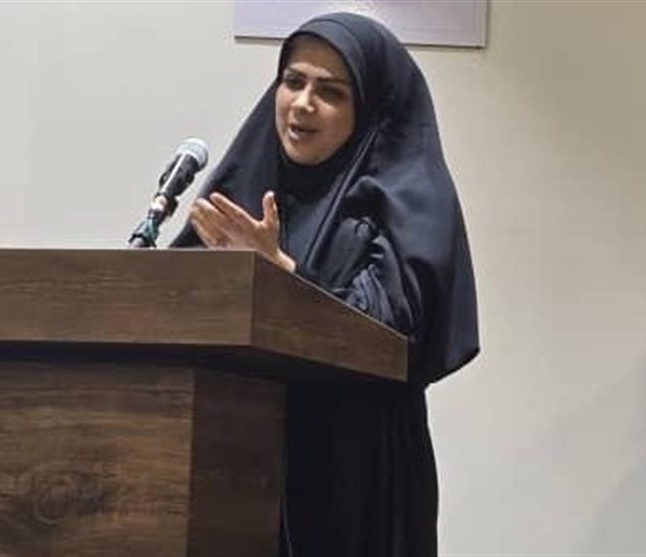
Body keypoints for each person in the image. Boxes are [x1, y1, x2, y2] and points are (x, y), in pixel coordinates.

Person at [171, 11, 479, 557]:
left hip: (356, 474)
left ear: (371, 108)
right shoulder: (252, 186)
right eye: (293, 82)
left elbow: (389, 333)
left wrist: (281, 277)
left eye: (330, 92)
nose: (302, 104)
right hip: (237, 464)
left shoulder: (407, 198)